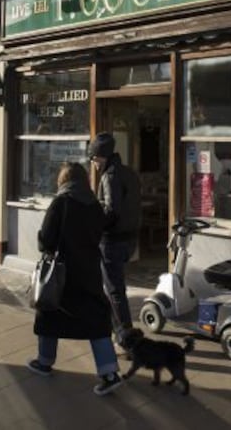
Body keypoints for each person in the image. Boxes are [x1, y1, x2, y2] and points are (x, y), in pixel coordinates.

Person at [27, 161, 123, 396]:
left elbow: (46, 239)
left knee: (49, 311)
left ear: (63, 180)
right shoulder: (93, 205)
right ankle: (109, 373)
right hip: (88, 271)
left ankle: (45, 361)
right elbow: (100, 230)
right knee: (96, 320)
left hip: (61, 273)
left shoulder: (61, 202)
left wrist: (44, 241)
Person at [88, 132, 141, 346]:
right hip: (129, 239)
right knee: (115, 286)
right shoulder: (129, 173)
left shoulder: (109, 176)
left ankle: (125, 336)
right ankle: (114, 327)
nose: (92, 163)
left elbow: (111, 211)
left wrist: (95, 225)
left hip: (112, 240)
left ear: (101, 156)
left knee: (114, 290)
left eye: (93, 158)